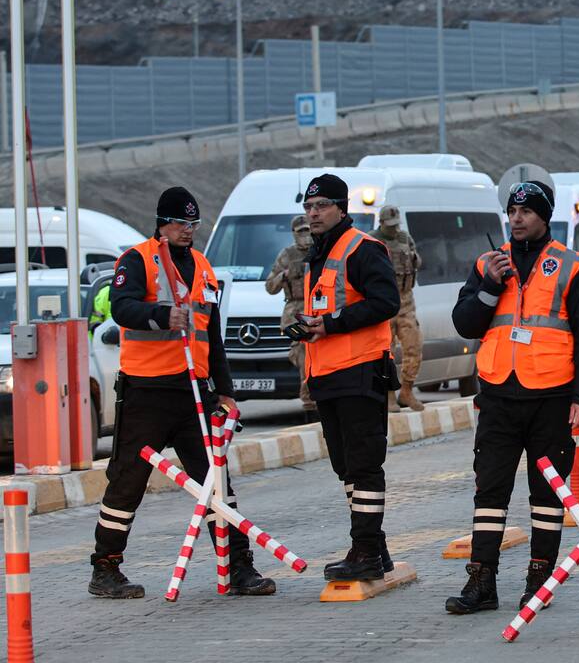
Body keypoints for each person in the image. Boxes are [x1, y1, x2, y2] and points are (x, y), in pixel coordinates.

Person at [89, 187, 275, 599]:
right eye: (179, 223)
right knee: (126, 480)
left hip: (194, 393)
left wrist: (225, 391)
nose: (186, 231)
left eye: (192, 224)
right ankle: (105, 568)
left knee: (216, 482)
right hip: (147, 392)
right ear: (161, 224)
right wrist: (160, 316)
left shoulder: (204, 269)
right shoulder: (138, 260)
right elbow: (122, 307)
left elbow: (213, 336)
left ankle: (238, 567)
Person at [445, 179, 579, 614]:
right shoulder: (488, 264)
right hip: (498, 394)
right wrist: (490, 286)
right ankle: (481, 583)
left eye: (526, 212)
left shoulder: (571, 265)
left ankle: (540, 579)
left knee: (546, 494)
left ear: (543, 216)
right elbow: (466, 323)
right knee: (489, 491)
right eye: (512, 212)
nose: (516, 219)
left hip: (552, 397)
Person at [298, 174, 401, 581]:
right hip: (327, 374)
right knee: (346, 466)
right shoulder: (317, 254)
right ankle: (376, 547)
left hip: (359, 371)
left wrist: (332, 323)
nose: (313, 213)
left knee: (364, 465)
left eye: (321, 205)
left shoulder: (362, 248)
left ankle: (365, 553)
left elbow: (386, 302)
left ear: (342, 208)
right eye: (308, 207)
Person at [369, 205, 425, 412]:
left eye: (396, 225)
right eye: (390, 226)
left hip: (406, 301)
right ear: (381, 223)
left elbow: (418, 261)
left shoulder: (404, 238)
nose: (394, 229)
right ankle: (389, 395)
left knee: (414, 346)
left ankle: (407, 391)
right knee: (386, 352)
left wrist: (412, 257)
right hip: (384, 302)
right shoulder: (372, 240)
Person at [265, 215, 317, 417]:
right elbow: (270, 287)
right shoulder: (286, 255)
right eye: (301, 231)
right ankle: (309, 406)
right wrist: (284, 275)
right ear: (294, 234)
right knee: (304, 354)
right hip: (295, 310)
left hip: (318, 307)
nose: (305, 235)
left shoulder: (320, 250)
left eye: (308, 230)